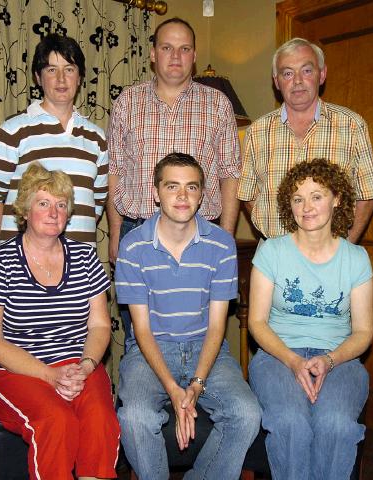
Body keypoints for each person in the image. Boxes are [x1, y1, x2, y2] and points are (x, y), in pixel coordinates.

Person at [115, 153, 260, 480]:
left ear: (202, 194)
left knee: (246, 413)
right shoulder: (133, 246)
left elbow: (217, 329)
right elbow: (141, 330)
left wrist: (195, 385)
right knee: (135, 416)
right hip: (150, 348)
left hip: (206, 348)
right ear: (156, 192)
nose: (182, 196)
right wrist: (173, 388)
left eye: (191, 187)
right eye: (172, 186)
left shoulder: (222, 245)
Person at [0, 162, 120, 480]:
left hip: (77, 362)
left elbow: (99, 326)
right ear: (25, 210)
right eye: (44, 203)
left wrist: (87, 365)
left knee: (100, 418)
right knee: (57, 421)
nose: (54, 212)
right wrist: (49, 376)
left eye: (61, 205)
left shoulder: (85, 258)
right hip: (16, 369)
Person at [248, 158, 373, 479]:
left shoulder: (356, 258)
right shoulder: (271, 252)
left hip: (339, 358)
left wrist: (330, 360)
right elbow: (257, 323)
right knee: (290, 421)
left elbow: (362, 332)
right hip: (278, 355)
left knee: (335, 424)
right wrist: (292, 361)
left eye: (317, 196)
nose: (306, 207)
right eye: (297, 198)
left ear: (337, 199)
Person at [107, 16, 241, 264]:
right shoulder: (127, 102)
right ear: (153, 54)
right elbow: (114, 170)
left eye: (185, 49)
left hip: (200, 235)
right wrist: (115, 233)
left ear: (194, 55)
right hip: (137, 232)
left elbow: (230, 174)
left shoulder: (218, 104)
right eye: (167, 48)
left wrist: (227, 237)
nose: (176, 56)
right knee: (135, 304)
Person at [237, 37, 373, 243]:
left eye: (306, 71)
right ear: (276, 81)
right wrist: (273, 237)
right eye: (287, 73)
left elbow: (368, 194)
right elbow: (248, 194)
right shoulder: (257, 132)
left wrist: (344, 248)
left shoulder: (351, 125)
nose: (297, 81)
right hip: (274, 254)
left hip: (331, 254)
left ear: (321, 75)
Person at [0, 33, 108, 246]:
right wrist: (14, 251)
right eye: (51, 70)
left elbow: (95, 204)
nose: (61, 79)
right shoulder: (12, 131)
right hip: (26, 268)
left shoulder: (97, 138)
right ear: (38, 78)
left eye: (69, 69)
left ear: (80, 77)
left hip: (81, 267)